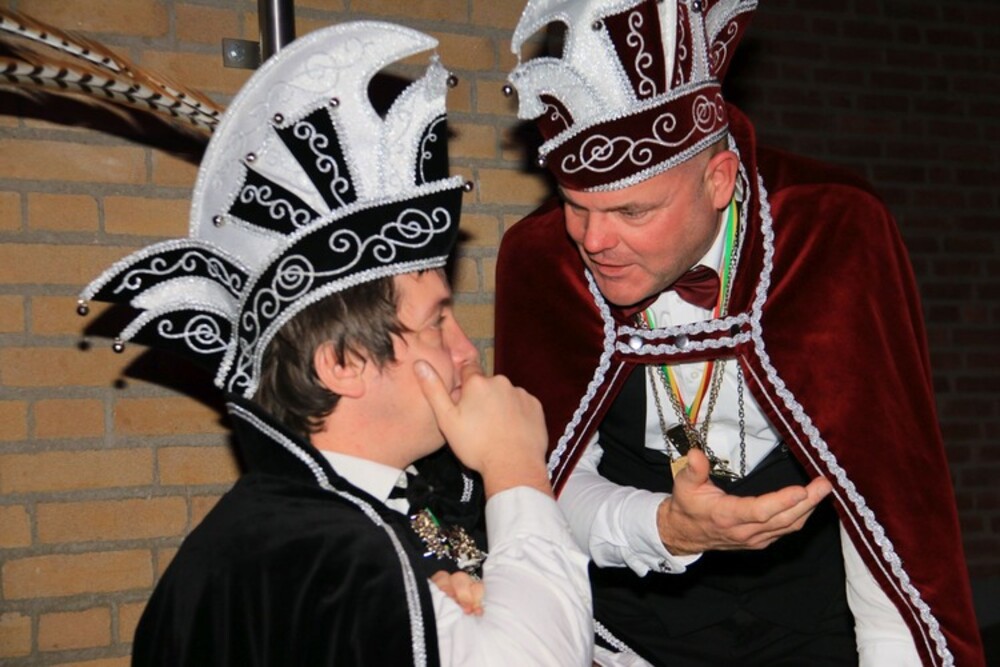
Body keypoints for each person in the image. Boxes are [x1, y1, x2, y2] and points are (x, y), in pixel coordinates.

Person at [78, 21, 592, 666]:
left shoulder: (345, 517)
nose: (466, 351)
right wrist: (516, 466)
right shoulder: (324, 553)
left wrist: (479, 613)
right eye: (436, 322)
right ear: (344, 363)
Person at [495, 1, 985, 665]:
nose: (594, 241)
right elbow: (538, 490)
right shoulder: (543, 261)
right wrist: (665, 527)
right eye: (575, 207)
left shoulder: (831, 232)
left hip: (815, 623)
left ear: (718, 180)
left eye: (632, 211)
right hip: (630, 632)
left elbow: (888, 505)